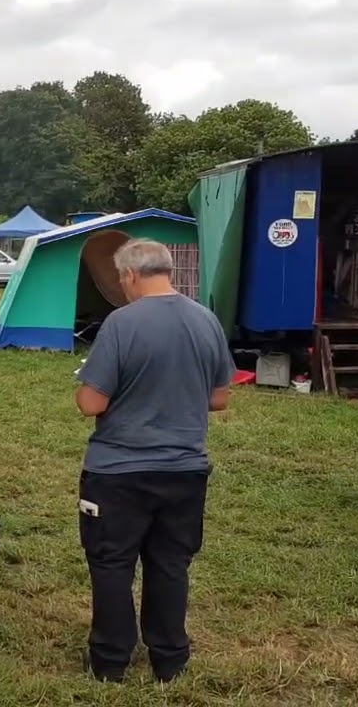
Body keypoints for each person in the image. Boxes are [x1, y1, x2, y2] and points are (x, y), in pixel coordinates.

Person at [73, 238, 235, 684]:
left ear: (128, 275)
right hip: (185, 470)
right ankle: (170, 659)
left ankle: (110, 662)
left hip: (119, 471)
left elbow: (91, 401)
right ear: (168, 269)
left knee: (111, 563)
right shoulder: (206, 320)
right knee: (169, 564)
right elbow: (219, 398)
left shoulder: (122, 324)